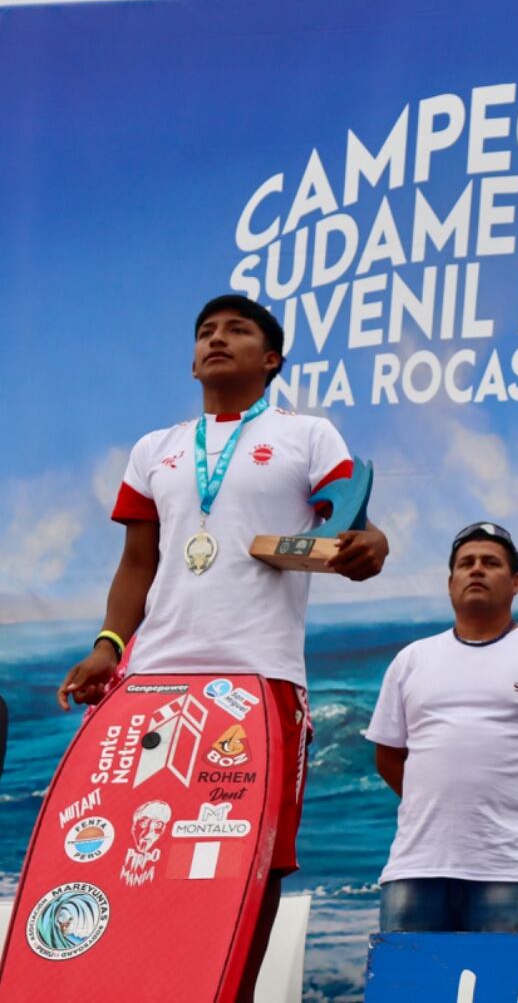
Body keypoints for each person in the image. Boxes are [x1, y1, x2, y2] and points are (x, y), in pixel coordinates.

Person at [53, 292, 389, 995]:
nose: (216, 340)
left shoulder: (307, 435)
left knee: (249, 859)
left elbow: (351, 525)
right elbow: (138, 563)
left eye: (237, 331)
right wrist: (110, 644)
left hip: (258, 679)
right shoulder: (155, 450)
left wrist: (369, 543)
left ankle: (226, 990)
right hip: (152, 684)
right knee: (135, 852)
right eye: (205, 331)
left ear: (270, 359)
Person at [367, 523, 518, 933]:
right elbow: (388, 755)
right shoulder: (412, 659)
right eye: (466, 563)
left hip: (510, 870)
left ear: (516, 582)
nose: (477, 570)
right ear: (450, 585)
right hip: (415, 867)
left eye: (491, 563)